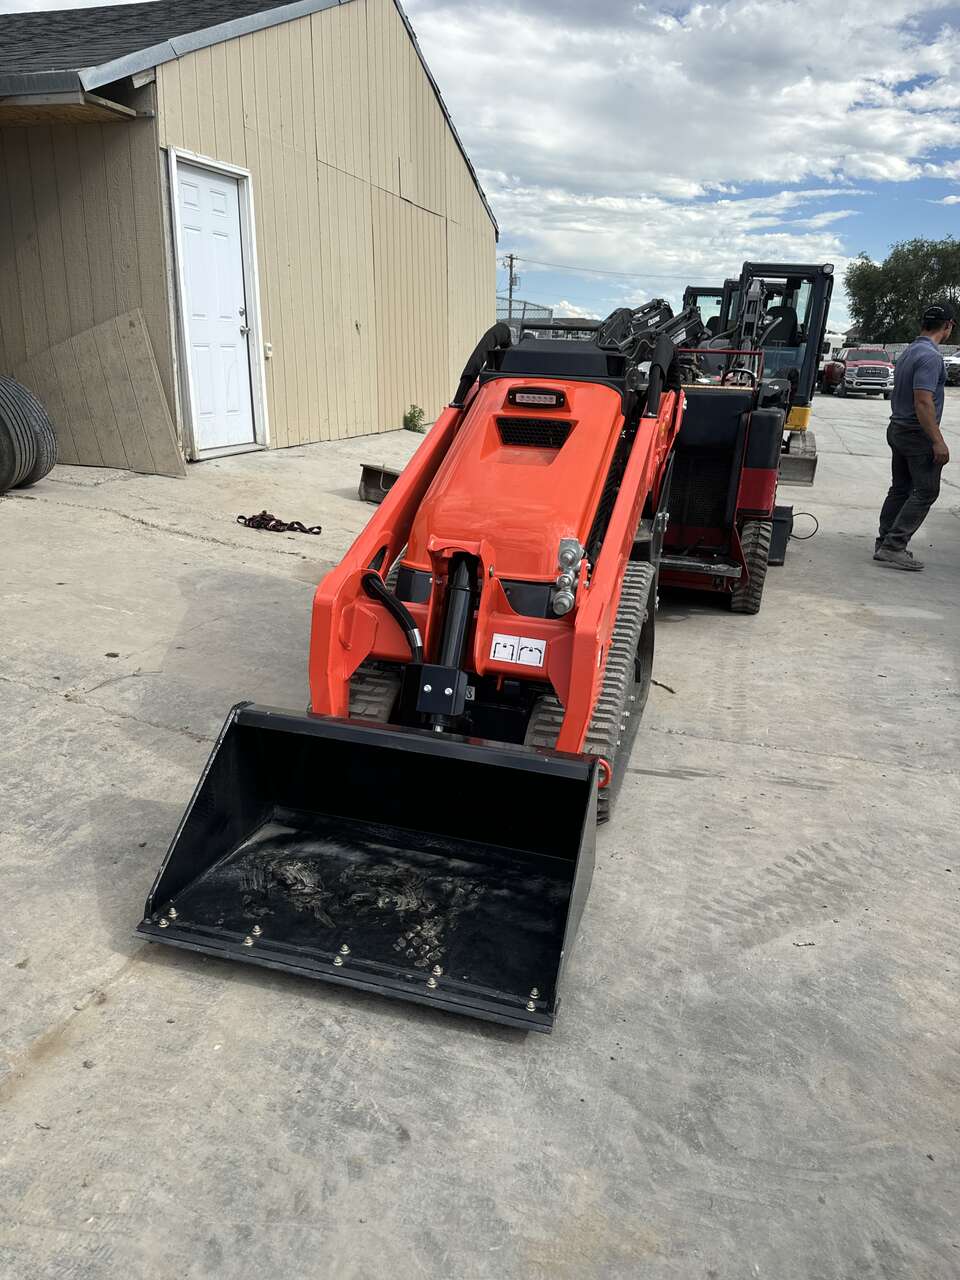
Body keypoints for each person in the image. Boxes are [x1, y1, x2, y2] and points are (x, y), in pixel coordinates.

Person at [874, 301, 955, 571]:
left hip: (898, 427)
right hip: (916, 433)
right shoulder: (931, 356)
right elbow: (923, 401)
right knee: (926, 490)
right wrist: (937, 440)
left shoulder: (910, 351)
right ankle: (894, 546)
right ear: (948, 326)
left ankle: (885, 541)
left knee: (901, 488)